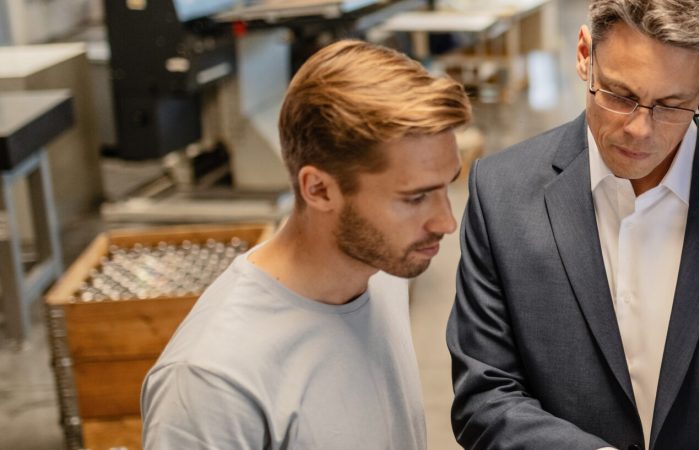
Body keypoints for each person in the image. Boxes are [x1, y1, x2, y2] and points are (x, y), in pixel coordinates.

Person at [446, 1, 699, 448]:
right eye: (618, 96)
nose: (639, 130)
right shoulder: (501, 195)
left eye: (671, 105)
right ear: (583, 55)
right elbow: (485, 395)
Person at [140, 40, 471, 449]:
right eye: (414, 198)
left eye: (447, 186)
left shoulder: (380, 271)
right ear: (318, 189)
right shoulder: (212, 380)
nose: (446, 221)